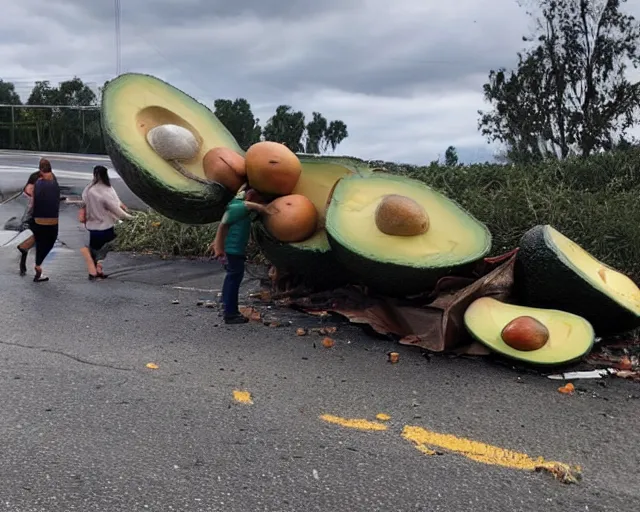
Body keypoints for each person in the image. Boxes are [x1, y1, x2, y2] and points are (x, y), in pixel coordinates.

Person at [209, 186, 273, 324]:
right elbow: (223, 225)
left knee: (231, 277)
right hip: (232, 250)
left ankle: (225, 305)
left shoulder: (239, 205)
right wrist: (264, 209)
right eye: (257, 201)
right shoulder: (238, 207)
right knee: (234, 278)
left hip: (234, 250)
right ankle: (231, 313)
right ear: (250, 197)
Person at [78, 165, 133, 280]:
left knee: (94, 249)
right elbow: (117, 209)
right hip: (106, 226)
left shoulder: (88, 189)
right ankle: (99, 268)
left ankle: (93, 271)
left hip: (92, 227)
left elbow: (83, 203)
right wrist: (132, 218)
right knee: (106, 249)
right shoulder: (106, 190)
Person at [17, 161, 59, 275]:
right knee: (45, 237)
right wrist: (27, 217)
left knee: (39, 235)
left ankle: (24, 248)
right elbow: (32, 202)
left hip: (40, 217)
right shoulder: (42, 181)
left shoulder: (46, 182)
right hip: (39, 217)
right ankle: (37, 265)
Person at [29, 159, 61, 282]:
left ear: (40, 169)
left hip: (38, 219)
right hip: (53, 219)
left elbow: (32, 203)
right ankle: (38, 264)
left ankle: (27, 250)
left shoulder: (38, 183)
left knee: (39, 241)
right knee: (49, 242)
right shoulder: (55, 182)